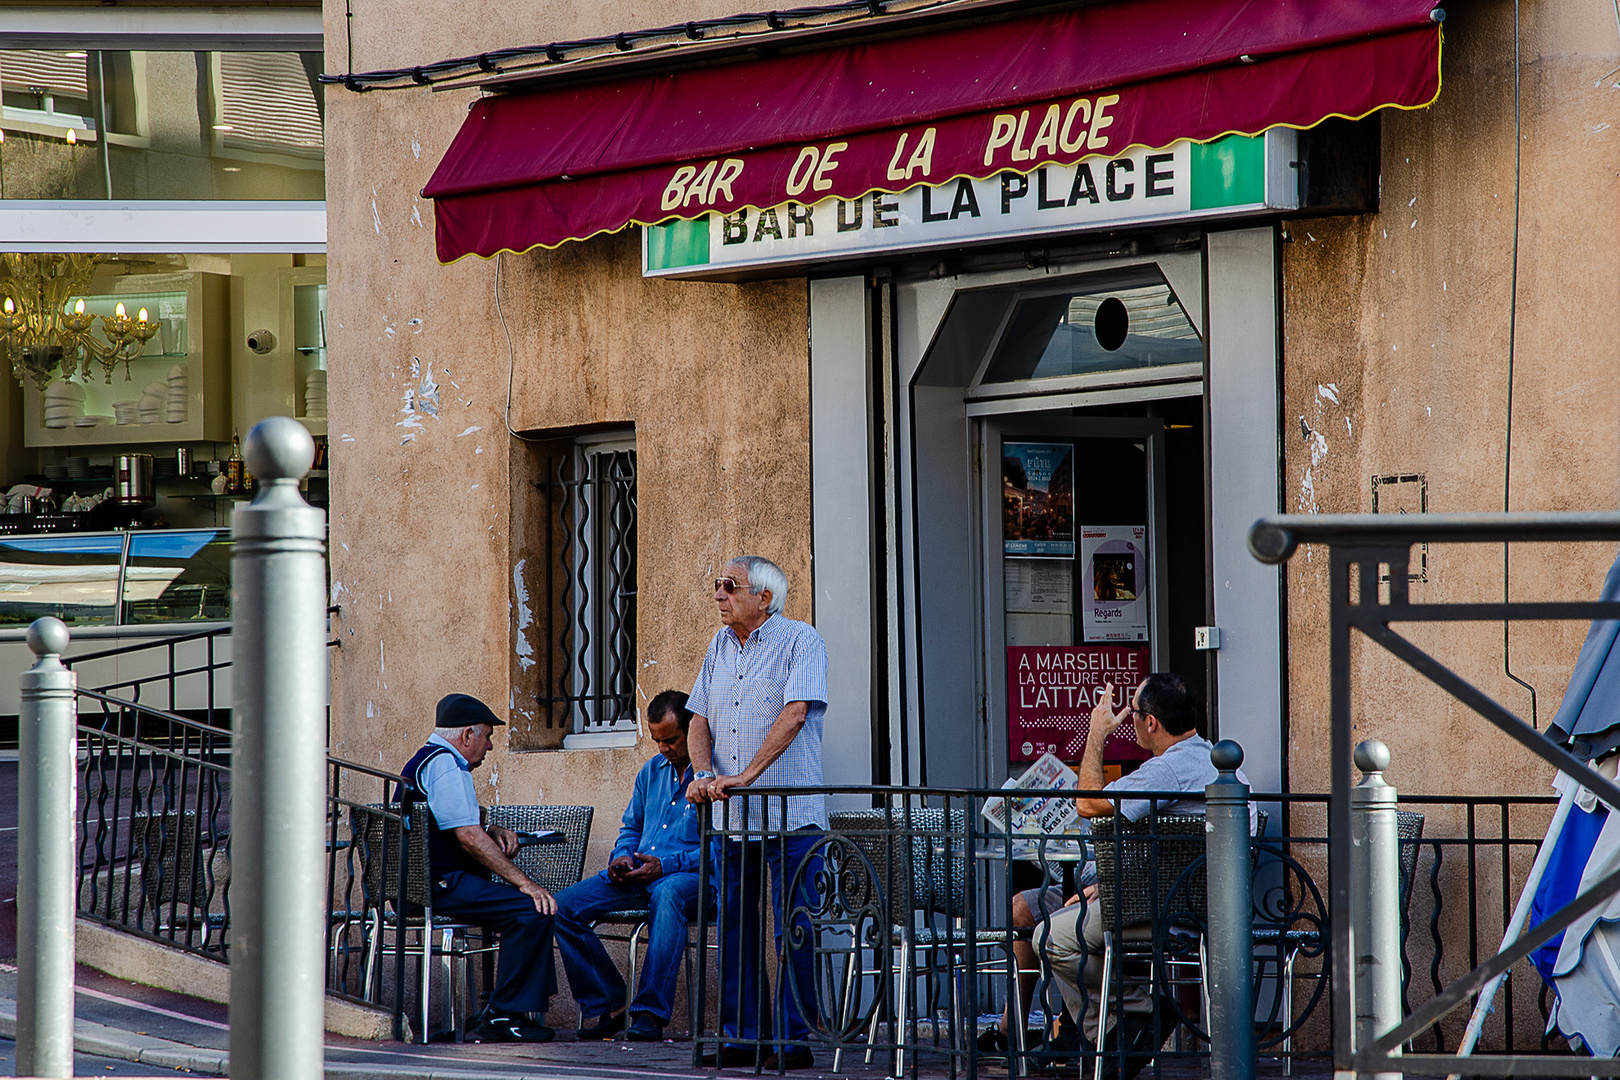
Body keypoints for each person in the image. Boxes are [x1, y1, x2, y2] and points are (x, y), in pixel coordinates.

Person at [1016, 674, 1253, 1057]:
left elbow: (1088, 804)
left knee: (1048, 937)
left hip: (1157, 909)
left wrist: (1096, 734)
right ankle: (1109, 1030)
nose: (1129, 720)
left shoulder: (1168, 770)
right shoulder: (1218, 763)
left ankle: (1121, 1024)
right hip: (1200, 903)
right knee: (1059, 916)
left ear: (1151, 723)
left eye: (1134, 713)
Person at [686, 556, 828, 1071]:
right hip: (733, 819)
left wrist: (745, 776)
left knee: (793, 927)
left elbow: (795, 714)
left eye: (730, 586)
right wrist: (703, 775)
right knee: (737, 928)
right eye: (717, 585)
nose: (719, 594)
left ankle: (793, 1040)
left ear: (764, 597)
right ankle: (741, 1037)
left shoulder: (800, 640)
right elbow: (698, 719)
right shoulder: (718, 645)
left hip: (791, 814)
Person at [398, 693, 559, 1043]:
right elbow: (468, 838)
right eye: (487, 737)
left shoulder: (428, 760)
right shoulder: (445, 764)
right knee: (532, 909)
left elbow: (458, 826)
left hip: (423, 885)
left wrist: (490, 830)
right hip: (439, 885)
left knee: (528, 910)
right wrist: (525, 883)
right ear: (467, 735)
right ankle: (506, 1015)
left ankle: (506, 1008)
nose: (488, 747)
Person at [554, 690, 709, 1043]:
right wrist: (621, 858)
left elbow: (720, 850)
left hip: (692, 880)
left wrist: (666, 865)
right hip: (639, 874)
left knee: (667, 894)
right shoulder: (651, 772)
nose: (664, 748)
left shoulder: (711, 773)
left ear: (692, 729)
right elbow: (631, 828)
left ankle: (649, 1014)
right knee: (562, 906)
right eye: (657, 741)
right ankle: (613, 1006)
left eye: (671, 739)